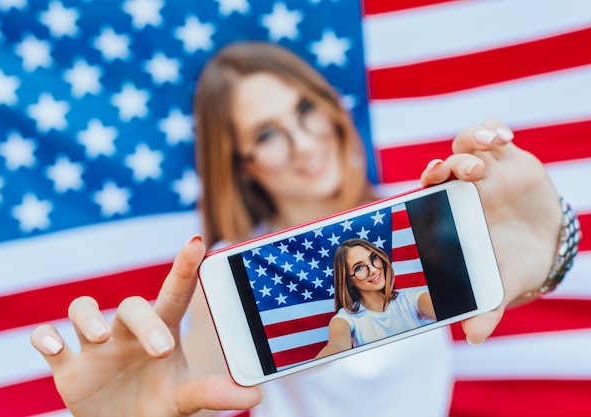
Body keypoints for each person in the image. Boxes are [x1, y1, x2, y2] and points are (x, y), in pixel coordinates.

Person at [29, 41, 576, 417]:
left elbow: (509, 283)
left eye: (306, 109)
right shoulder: (229, 270)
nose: (304, 142)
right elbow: (190, 389)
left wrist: (555, 240)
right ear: (242, 163)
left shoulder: (412, 216)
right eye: (267, 134)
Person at [316, 238, 435, 359]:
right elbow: (337, 345)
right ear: (348, 280)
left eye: (373, 258)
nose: (373, 270)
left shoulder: (412, 299)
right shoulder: (345, 319)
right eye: (359, 268)